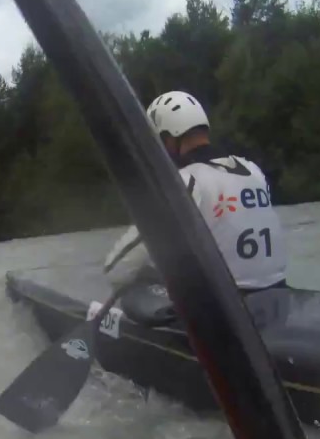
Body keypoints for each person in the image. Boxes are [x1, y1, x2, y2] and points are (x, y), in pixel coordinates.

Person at [104, 90, 288, 294]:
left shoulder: (184, 183)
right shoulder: (252, 170)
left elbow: (116, 270)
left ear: (168, 140)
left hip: (231, 310)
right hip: (277, 292)